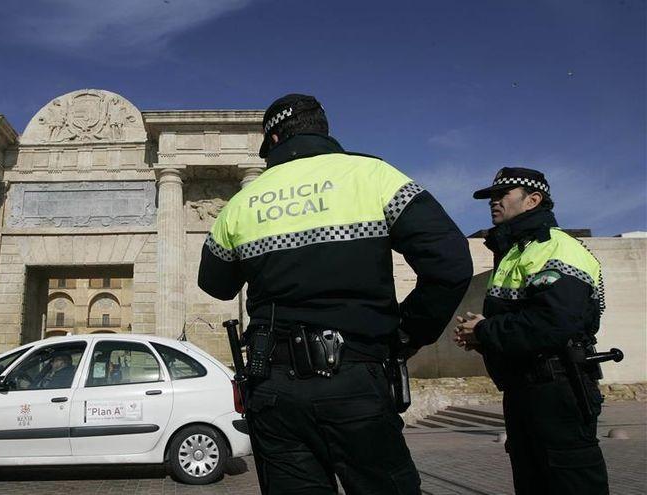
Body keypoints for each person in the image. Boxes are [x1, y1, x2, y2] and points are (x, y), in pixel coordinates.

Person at [198, 93, 473, 494]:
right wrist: (408, 334)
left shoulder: (241, 203)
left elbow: (215, 284)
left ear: (272, 141)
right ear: (323, 130)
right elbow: (449, 262)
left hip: (273, 387)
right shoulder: (374, 175)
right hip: (355, 374)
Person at [454, 167, 609, 494]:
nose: (493, 203)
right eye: (491, 197)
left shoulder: (556, 247)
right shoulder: (513, 253)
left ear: (533, 200)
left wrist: (484, 331)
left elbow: (555, 322)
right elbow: (523, 323)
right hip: (524, 389)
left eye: (502, 196)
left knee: (571, 482)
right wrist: (479, 337)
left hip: (558, 387)